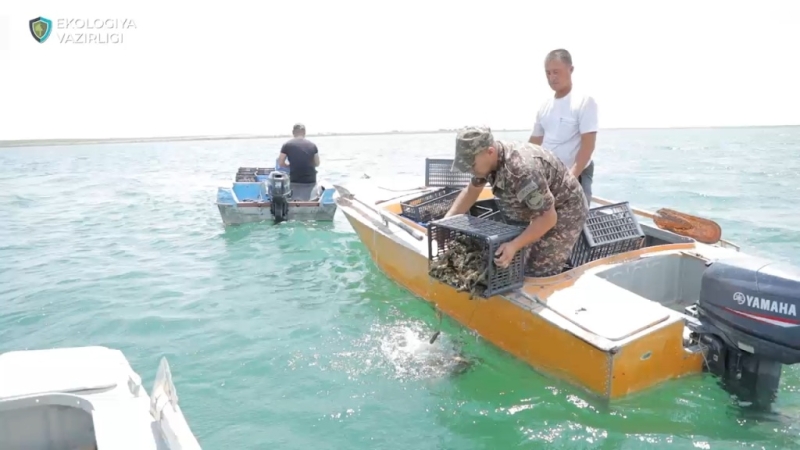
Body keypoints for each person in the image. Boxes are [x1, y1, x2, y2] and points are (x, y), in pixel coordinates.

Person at [445, 126, 588, 278]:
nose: (469, 170)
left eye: (471, 165)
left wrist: (515, 245)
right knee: (512, 263)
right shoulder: (486, 162)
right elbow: (471, 191)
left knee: (536, 270)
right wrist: (446, 222)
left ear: (490, 151)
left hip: (565, 211)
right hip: (537, 209)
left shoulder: (521, 170)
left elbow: (548, 218)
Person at [529, 48, 598, 205]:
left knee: (576, 222)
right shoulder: (544, 106)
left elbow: (588, 147)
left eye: (556, 72)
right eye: (548, 73)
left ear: (571, 69)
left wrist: (569, 179)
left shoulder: (584, 102)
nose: (552, 77)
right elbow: (534, 143)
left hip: (575, 175)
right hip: (548, 176)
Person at [277, 123, 321, 201]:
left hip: (295, 180)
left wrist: (289, 166)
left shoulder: (287, 145)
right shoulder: (313, 145)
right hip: (310, 181)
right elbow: (317, 163)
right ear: (304, 132)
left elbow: (280, 162)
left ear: (293, 132)